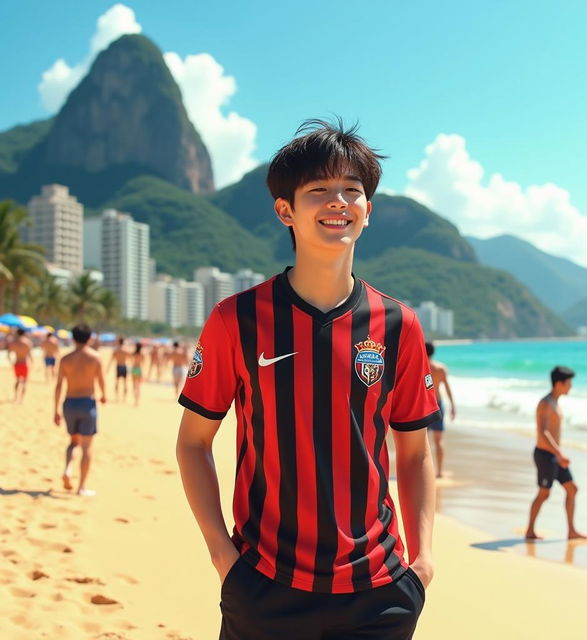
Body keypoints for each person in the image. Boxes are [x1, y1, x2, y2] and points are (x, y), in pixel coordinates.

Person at [176, 120, 441, 639]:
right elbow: (193, 443)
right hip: (265, 586)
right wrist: (222, 558)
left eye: (352, 190)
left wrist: (424, 563)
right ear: (286, 211)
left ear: (367, 212)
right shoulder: (238, 319)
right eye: (318, 190)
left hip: (379, 592)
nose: (337, 201)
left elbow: (414, 453)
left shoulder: (399, 324)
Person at [525, 366, 587, 540]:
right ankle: (530, 530)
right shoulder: (546, 403)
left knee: (572, 489)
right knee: (544, 493)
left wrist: (558, 454)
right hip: (545, 455)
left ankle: (571, 531)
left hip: (554, 455)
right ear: (559, 383)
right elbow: (543, 432)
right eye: (569, 383)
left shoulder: (555, 401)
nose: (571, 386)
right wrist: (559, 454)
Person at [53, 324, 106, 496]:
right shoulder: (95, 357)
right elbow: (101, 381)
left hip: (69, 403)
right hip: (87, 403)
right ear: (89, 338)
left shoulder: (65, 359)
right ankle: (81, 487)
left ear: (73, 338)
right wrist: (104, 395)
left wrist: (55, 410)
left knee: (73, 442)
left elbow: (59, 385)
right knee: (87, 447)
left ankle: (68, 469)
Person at [424, 341, 456, 478]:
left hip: (423, 406)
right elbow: (447, 388)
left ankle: (424, 471)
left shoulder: (420, 367)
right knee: (439, 440)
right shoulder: (440, 368)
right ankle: (439, 471)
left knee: (421, 442)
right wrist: (453, 405)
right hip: (437, 405)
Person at [8, 328, 33, 403]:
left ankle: (16, 397)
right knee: (24, 382)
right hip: (25, 364)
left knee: (17, 381)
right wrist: (32, 363)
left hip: (17, 363)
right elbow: (30, 354)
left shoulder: (14, 342)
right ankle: (21, 399)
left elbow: (8, 354)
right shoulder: (27, 342)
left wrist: (11, 361)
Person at [108, 337, 129, 402]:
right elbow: (131, 357)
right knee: (125, 383)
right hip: (124, 366)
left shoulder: (116, 350)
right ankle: (124, 398)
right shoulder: (126, 350)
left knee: (117, 382)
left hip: (118, 366)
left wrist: (108, 368)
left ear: (118, 342)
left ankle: (117, 397)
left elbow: (111, 360)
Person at [130, 342, 145, 407]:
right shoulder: (142, 354)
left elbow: (131, 360)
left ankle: (135, 399)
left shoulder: (133, 353)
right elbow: (143, 363)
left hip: (134, 368)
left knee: (134, 385)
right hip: (139, 369)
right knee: (138, 385)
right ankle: (137, 400)